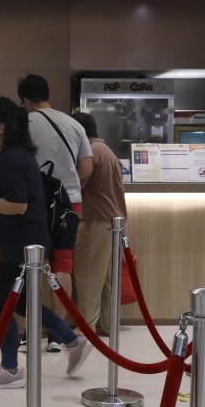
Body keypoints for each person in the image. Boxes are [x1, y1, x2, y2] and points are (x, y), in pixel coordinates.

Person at [0, 97, 92, 389]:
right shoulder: (19, 154)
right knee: (23, 304)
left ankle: (11, 368)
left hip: (21, 245)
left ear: (0, 127)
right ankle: (72, 340)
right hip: (25, 243)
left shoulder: (13, 158)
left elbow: (17, 205)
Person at [18, 74, 93, 351]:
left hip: (33, 204)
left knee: (29, 264)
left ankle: (31, 332)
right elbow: (86, 168)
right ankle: (57, 337)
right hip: (68, 204)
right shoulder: (73, 124)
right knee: (63, 266)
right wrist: (67, 188)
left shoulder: (22, 124)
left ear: (24, 100)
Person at [72, 112, 128, 337]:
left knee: (87, 276)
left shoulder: (91, 153)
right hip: (114, 222)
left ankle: (86, 328)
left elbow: (78, 182)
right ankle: (107, 323)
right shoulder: (107, 151)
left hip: (96, 220)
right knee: (106, 280)